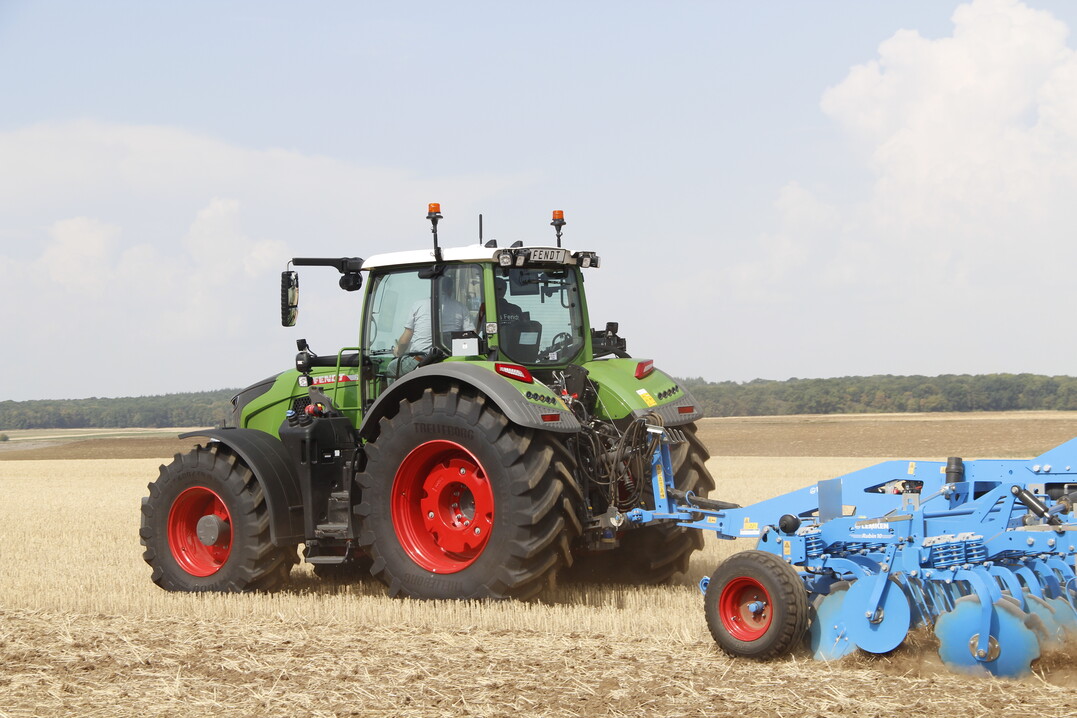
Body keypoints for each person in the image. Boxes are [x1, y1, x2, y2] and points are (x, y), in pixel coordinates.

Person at [388, 276, 470, 380]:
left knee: (392, 367)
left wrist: (398, 351)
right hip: (451, 361)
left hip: (422, 360)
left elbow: (404, 342)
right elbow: (469, 335)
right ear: (450, 289)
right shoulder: (461, 308)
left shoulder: (419, 305)